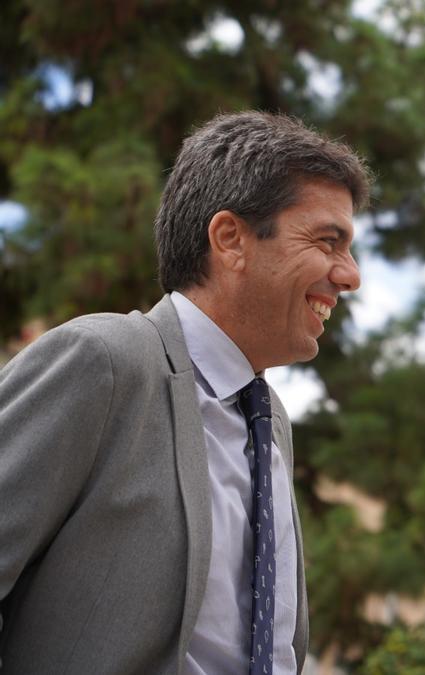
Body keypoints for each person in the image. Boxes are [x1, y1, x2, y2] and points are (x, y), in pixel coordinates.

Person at [0, 111, 370, 674]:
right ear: (230, 239)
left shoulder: (268, 419)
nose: (349, 275)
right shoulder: (103, 360)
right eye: (327, 241)